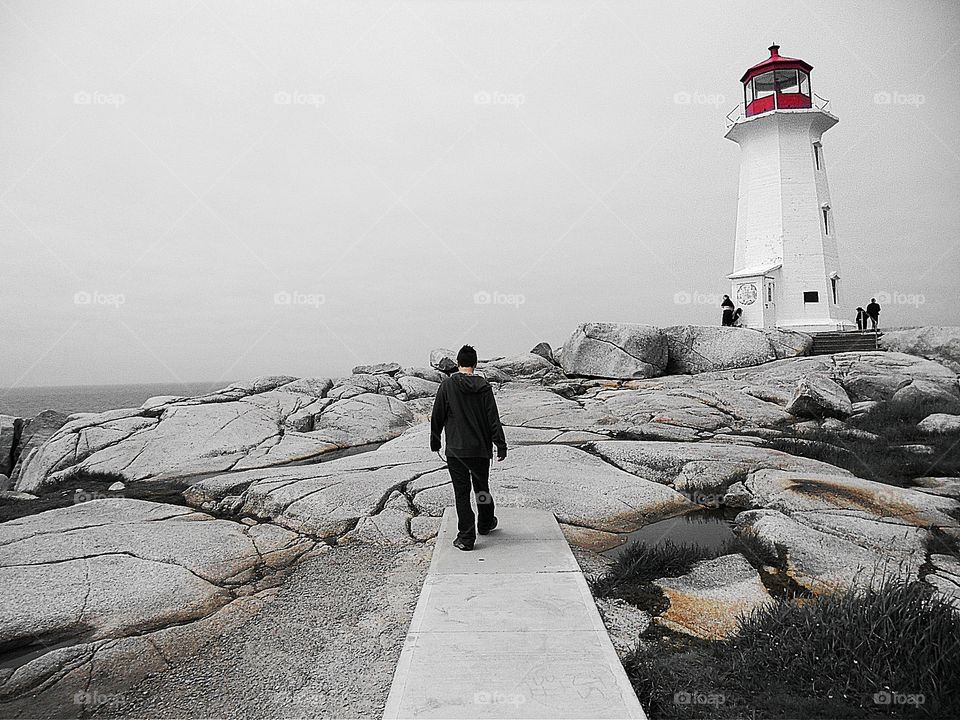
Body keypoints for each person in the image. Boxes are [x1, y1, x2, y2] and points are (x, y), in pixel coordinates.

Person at [429, 345, 507, 551]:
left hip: (456, 451)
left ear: (458, 362)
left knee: (461, 494)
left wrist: (435, 441)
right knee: (482, 488)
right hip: (480, 450)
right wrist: (501, 444)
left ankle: (466, 537)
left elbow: (437, 416)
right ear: (475, 363)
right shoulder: (484, 387)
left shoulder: (447, 386)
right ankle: (485, 523)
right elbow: (493, 419)